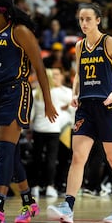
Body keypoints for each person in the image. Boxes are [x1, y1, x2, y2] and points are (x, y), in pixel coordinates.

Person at [46, 2, 112, 223]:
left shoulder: (109, 42)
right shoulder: (79, 46)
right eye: (81, 19)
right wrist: (76, 91)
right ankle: (68, 206)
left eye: (88, 19)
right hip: (85, 107)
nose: (84, 23)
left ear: (98, 20)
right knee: (78, 157)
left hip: (108, 105)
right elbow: (79, 72)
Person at [0, 0, 58, 223]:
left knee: (2, 148)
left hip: (16, 91)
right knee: (11, 151)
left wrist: (48, 102)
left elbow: (39, 67)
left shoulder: (19, 31)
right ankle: (29, 202)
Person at [30, 67, 72, 198]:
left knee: (36, 159)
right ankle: (49, 187)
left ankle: (35, 187)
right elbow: (72, 102)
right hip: (53, 129)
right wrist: (66, 107)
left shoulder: (35, 93)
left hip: (38, 129)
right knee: (51, 159)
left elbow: (31, 116)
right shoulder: (57, 93)